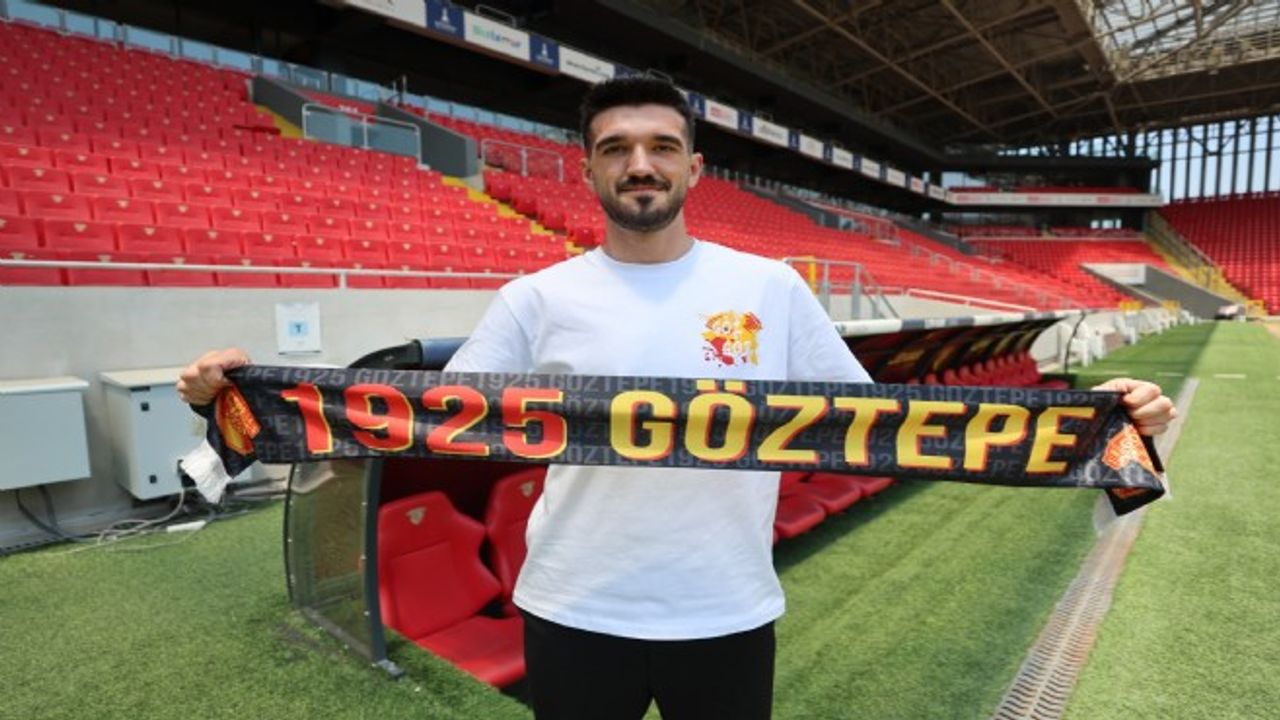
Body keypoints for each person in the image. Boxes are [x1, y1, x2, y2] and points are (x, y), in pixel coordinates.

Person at [177, 77, 1176, 720]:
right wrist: (237, 400)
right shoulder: (535, 298)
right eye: (616, 148)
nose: (640, 164)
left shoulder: (769, 288)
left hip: (725, 607)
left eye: (659, 146)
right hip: (572, 608)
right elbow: (426, 413)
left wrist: (1100, 427)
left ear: (693, 166)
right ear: (589, 169)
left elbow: (877, 426)